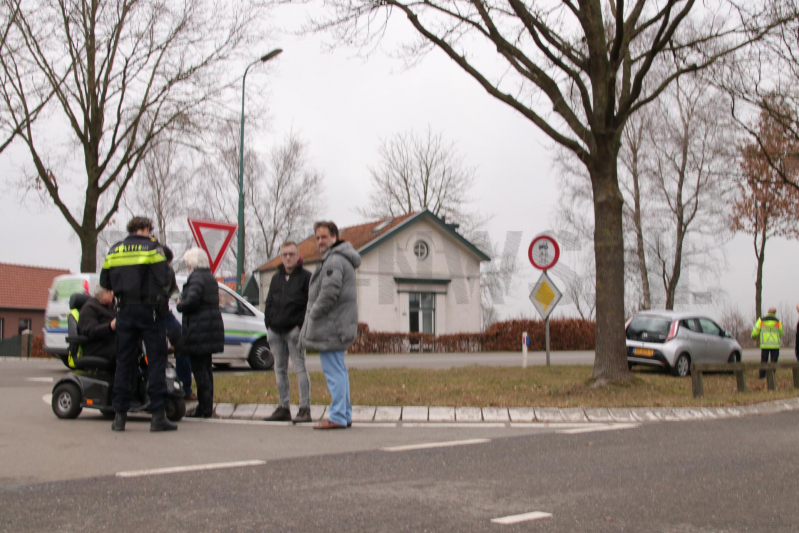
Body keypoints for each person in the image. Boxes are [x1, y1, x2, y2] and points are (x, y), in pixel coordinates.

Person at [100, 216, 175, 432]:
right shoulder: (153, 248)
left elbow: (105, 283)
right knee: (156, 361)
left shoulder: (114, 250)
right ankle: (157, 416)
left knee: (124, 362)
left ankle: (119, 417)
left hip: (124, 311)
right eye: (149, 229)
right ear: (143, 229)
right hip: (150, 311)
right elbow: (165, 277)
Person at [299, 221, 361, 430]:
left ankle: (337, 417)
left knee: (334, 373)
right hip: (338, 326)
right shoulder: (341, 258)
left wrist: (313, 314)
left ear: (334, 237)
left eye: (324, 237)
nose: (320, 241)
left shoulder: (334, 261)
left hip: (331, 327)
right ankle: (344, 415)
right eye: (317, 238)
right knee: (339, 372)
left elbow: (328, 294)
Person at [262, 241, 312, 423]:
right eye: (284, 255)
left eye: (291, 254)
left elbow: (310, 305)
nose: (288, 258)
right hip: (275, 331)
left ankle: (305, 409)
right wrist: (268, 324)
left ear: (298, 255)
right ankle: (283, 408)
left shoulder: (306, 277)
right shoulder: (276, 278)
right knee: (279, 370)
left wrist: (299, 326)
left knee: (300, 368)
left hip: (294, 331)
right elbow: (269, 302)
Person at [177, 248, 224, 419]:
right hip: (209, 326)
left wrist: (180, 303)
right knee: (206, 369)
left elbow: (192, 301)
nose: (188, 266)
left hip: (198, 328)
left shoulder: (196, 277)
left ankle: (204, 408)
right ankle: (207, 406)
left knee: (199, 370)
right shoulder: (210, 278)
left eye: (188, 262)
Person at [163, 246, 196, 402]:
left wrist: (177, 297)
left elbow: (173, 289)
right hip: (147, 315)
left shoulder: (168, 272)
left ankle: (185, 388)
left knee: (182, 345)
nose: (168, 268)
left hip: (164, 314)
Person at [77, 286, 117, 361]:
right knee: (127, 350)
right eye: (109, 291)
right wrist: (111, 326)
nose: (112, 293)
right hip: (97, 347)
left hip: (111, 344)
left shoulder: (108, 308)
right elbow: (92, 331)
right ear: (100, 294)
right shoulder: (89, 308)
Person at [751, 307, 784, 379]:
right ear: (775, 313)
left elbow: (756, 329)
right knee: (774, 361)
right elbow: (781, 333)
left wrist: (753, 336)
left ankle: (762, 375)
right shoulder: (778, 322)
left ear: (768, 312)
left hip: (765, 344)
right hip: (775, 345)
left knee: (764, 360)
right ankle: (771, 375)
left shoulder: (761, 320)